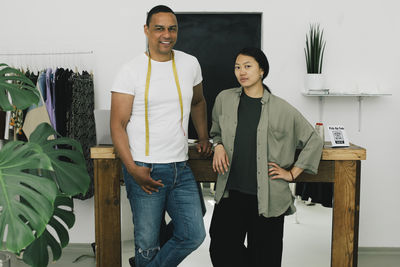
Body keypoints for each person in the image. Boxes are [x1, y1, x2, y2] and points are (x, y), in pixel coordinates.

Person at [110, 5, 211, 267]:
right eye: (159, 28)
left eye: (172, 28)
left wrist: (203, 136)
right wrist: (132, 169)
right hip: (145, 168)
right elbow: (117, 124)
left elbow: (198, 102)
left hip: (180, 167)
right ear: (146, 30)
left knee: (193, 233)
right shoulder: (130, 70)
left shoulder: (190, 63)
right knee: (147, 245)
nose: (166, 34)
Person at [208, 47, 323, 267]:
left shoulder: (282, 109)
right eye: (237, 67)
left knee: (265, 258)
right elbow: (216, 131)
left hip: (268, 196)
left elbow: (313, 140)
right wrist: (219, 145)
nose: (242, 72)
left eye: (248, 66)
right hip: (231, 192)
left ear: (262, 70)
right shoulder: (225, 99)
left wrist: (292, 173)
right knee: (222, 248)